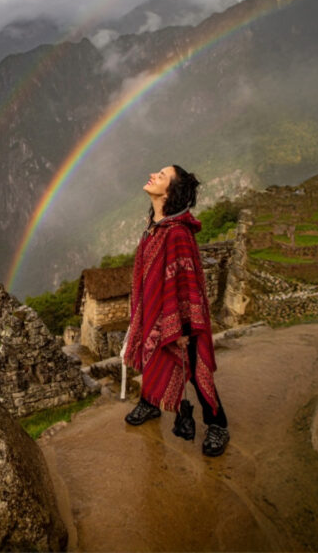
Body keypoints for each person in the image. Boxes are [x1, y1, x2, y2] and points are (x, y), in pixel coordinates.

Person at [121, 164, 230, 457]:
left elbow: (187, 283)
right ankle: (151, 402)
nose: (153, 174)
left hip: (183, 320)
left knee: (195, 372)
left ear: (170, 191)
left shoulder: (177, 233)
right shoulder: (156, 225)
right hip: (155, 311)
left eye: (162, 175)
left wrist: (182, 329)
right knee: (150, 352)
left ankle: (217, 423)